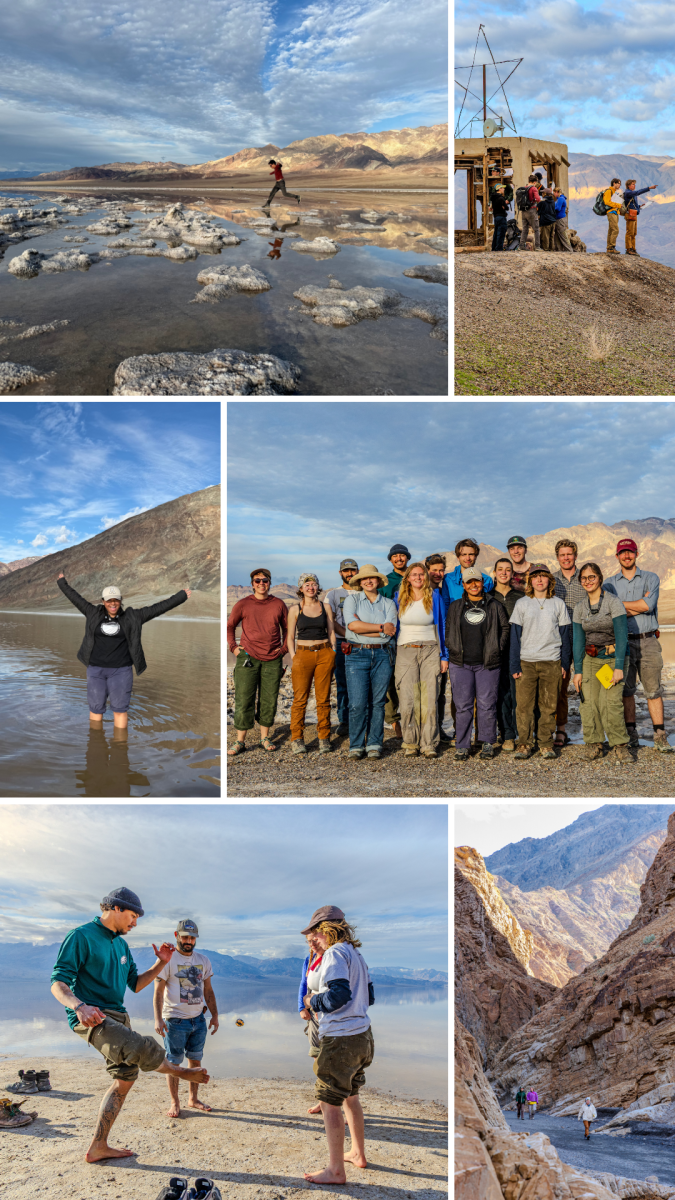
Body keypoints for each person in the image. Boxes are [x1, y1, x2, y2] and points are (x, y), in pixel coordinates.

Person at [50, 887, 209, 1163]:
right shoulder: (81, 936)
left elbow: (135, 985)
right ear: (116, 909)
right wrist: (79, 1006)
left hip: (118, 1015)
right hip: (93, 1016)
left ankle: (98, 1145)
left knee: (125, 1078)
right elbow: (58, 982)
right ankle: (179, 1071)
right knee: (140, 1046)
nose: (135, 923)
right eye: (133, 916)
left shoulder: (121, 946)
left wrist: (161, 963)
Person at [56, 573, 191, 731]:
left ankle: (120, 745)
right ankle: (96, 744)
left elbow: (157, 608)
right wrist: (62, 583)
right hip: (95, 671)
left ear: (120, 601)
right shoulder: (92, 613)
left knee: (120, 711)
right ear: (103, 601)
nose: (113, 604)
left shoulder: (132, 617)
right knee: (95, 710)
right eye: (109, 600)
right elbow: (75, 598)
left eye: (116, 600)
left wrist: (180, 596)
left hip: (121, 671)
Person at [299, 906, 375, 1185]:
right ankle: (357, 1153)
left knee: (329, 1102)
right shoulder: (357, 955)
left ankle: (335, 1170)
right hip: (363, 1036)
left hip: (341, 1038)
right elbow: (370, 995)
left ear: (326, 929)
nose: (313, 939)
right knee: (351, 1096)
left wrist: (311, 1002)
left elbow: (338, 995)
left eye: (315, 933)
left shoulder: (334, 953)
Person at [604, 538, 672, 752]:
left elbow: (649, 605)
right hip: (622, 643)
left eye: (630, 552)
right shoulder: (609, 584)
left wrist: (622, 607)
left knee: (653, 691)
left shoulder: (651, 578)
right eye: (622, 553)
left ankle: (660, 736)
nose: (627, 556)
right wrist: (638, 606)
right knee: (626, 691)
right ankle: (631, 735)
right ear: (617, 556)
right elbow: (610, 611)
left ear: (636, 553)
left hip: (648, 641)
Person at [154, 919, 218, 1119]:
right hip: (175, 1020)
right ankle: (175, 1102)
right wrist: (158, 1019)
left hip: (198, 1020)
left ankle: (193, 1098)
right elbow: (158, 992)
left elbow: (208, 990)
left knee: (195, 1059)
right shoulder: (168, 960)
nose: (189, 940)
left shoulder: (203, 960)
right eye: (185, 937)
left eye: (192, 937)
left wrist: (215, 1015)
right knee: (173, 1062)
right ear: (177, 935)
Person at [445, 566, 509, 763]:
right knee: (463, 705)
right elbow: (449, 630)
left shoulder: (494, 605)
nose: (474, 585)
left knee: (487, 704)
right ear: (463, 585)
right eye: (469, 582)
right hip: (461, 663)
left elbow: (505, 627)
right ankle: (463, 745)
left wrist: (497, 648)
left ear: (482, 583)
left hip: (487, 664)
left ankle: (487, 742)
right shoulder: (456, 606)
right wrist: (453, 649)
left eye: (477, 581)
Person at [510, 564, 572, 760]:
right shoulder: (522, 604)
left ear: (549, 581)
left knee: (548, 706)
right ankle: (525, 744)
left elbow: (565, 635)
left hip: (551, 662)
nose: (539, 580)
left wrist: (564, 663)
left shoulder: (558, 604)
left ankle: (546, 743)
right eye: (535, 577)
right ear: (530, 581)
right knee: (524, 706)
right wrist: (514, 664)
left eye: (543, 577)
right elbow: (515, 636)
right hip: (526, 662)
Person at [572, 562, 631, 763]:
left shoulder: (613, 602)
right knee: (588, 704)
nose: (588, 581)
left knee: (611, 703)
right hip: (591, 660)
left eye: (592, 577)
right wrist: (578, 670)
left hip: (613, 659)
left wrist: (619, 667)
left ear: (600, 578)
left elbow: (622, 637)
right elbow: (578, 641)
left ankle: (620, 745)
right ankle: (594, 743)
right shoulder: (580, 608)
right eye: (584, 578)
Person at [227, 568, 288, 756]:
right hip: (248, 657)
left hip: (272, 659)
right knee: (244, 698)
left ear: (270, 583)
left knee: (269, 699)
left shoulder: (278, 604)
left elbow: (287, 629)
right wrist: (234, 648)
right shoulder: (243, 604)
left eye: (265, 580)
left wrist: (283, 650)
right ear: (252, 584)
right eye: (257, 581)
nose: (261, 584)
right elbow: (229, 626)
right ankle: (240, 741)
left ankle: (264, 738)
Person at [393, 561, 448, 757]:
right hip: (406, 650)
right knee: (408, 698)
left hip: (431, 650)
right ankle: (410, 742)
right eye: (414, 574)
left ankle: (429, 743)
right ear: (407, 578)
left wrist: (444, 655)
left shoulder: (434, 597)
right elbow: (395, 626)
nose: (418, 577)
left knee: (428, 697)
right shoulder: (399, 598)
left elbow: (442, 626)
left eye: (421, 574)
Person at [343, 566, 397, 760]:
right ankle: (356, 745)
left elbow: (390, 632)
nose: (368, 582)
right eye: (364, 579)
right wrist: (380, 627)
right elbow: (352, 626)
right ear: (359, 582)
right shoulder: (352, 600)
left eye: (371, 578)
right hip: (356, 654)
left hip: (383, 655)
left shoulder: (389, 603)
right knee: (357, 703)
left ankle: (374, 743)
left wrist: (365, 630)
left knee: (378, 702)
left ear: (378, 580)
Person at [287, 573, 336, 755]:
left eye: (313, 584)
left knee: (323, 699)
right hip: (302, 655)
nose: (310, 587)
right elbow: (290, 636)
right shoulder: (294, 609)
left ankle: (324, 737)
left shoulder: (326, 607)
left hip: (324, 653)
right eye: (306, 585)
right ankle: (297, 738)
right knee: (300, 699)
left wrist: (333, 652)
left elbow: (331, 632)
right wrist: (294, 656)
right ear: (301, 589)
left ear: (318, 587)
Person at [552, 540, 586, 750]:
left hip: (584, 638)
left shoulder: (586, 577)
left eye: (569, 554)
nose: (566, 558)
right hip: (559, 640)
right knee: (561, 687)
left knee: (587, 686)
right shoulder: (551, 580)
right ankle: (561, 729)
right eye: (562, 554)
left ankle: (593, 730)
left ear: (575, 555)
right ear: (557, 557)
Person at [323, 559, 360, 737]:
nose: (350, 573)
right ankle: (344, 720)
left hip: (362, 643)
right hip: (342, 642)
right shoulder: (333, 594)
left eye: (353, 570)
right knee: (343, 684)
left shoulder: (364, 591)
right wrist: (350, 635)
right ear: (340, 573)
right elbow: (331, 621)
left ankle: (361, 719)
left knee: (362, 683)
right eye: (346, 571)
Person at [379, 544, 411, 740]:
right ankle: (394, 722)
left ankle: (412, 721)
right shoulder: (386, 583)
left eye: (402, 556)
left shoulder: (416, 577)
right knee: (389, 681)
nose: (399, 559)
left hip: (412, 636)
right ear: (391, 560)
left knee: (408, 681)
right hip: (392, 638)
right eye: (395, 556)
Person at [492, 558, 521, 751]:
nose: (504, 573)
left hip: (519, 650)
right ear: (494, 573)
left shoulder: (521, 597)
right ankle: (507, 734)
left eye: (508, 570)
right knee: (501, 693)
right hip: (496, 651)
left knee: (519, 693)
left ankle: (522, 731)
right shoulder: (488, 597)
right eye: (500, 569)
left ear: (512, 574)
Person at [299, 928, 325, 1116]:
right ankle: (323, 1101)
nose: (312, 943)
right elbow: (303, 984)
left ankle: (339, 1104)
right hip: (314, 1017)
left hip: (332, 1019)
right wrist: (302, 1007)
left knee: (335, 1063)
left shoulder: (333, 958)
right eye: (309, 941)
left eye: (315, 939)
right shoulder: (309, 960)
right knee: (317, 1059)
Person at [426, 554, 451, 740]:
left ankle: (438, 728)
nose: (438, 573)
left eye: (441, 570)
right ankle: (423, 731)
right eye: (434, 570)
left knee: (440, 692)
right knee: (424, 691)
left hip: (442, 647)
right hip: (424, 647)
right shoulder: (421, 592)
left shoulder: (444, 592)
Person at [441, 539, 495, 605]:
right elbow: (445, 606)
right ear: (458, 557)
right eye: (464, 554)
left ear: (476, 556)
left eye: (471, 554)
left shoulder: (487, 580)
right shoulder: (448, 579)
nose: (468, 558)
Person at [623, 178, 657, 256]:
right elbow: (638, 192)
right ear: (628, 185)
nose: (634, 185)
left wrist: (639, 206)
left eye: (634, 184)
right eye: (633, 184)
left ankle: (633, 248)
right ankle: (628, 249)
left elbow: (632, 204)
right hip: (630, 214)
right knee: (629, 232)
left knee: (634, 233)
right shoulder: (628, 192)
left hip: (634, 213)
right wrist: (649, 188)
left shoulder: (632, 193)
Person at [518, 175, 542, 251]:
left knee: (525, 229)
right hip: (531, 210)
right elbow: (538, 199)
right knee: (536, 229)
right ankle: (537, 246)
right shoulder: (533, 188)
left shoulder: (524, 188)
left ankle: (521, 245)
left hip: (523, 211)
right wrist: (536, 199)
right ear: (535, 182)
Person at [602, 178, 623, 255]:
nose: (619, 185)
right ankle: (612, 247)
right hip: (611, 212)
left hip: (615, 212)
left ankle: (609, 248)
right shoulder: (608, 191)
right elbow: (607, 202)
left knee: (611, 230)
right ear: (614, 183)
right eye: (618, 183)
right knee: (615, 229)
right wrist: (617, 205)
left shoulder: (614, 192)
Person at [491, 185, 509, 251]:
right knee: (501, 233)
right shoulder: (500, 198)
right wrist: (505, 205)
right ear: (499, 189)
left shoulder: (493, 198)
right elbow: (506, 208)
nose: (504, 189)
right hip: (501, 217)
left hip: (496, 217)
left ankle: (494, 248)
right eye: (502, 188)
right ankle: (499, 248)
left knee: (496, 233)